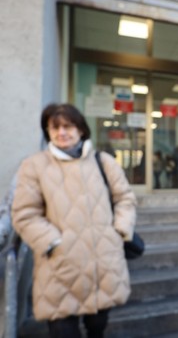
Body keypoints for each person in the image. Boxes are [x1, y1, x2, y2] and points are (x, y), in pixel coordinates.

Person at [11, 103, 137, 338]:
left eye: (68, 126)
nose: (61, 133)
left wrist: (119, 231)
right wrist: (53, 243)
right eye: (54, 128)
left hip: (103, 263)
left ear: (81, 130)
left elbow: (125, 199)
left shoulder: (103, 161)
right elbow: (25, 214)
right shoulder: (34, 166)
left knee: (97, 326)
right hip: (59, 267)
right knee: (62, 330)